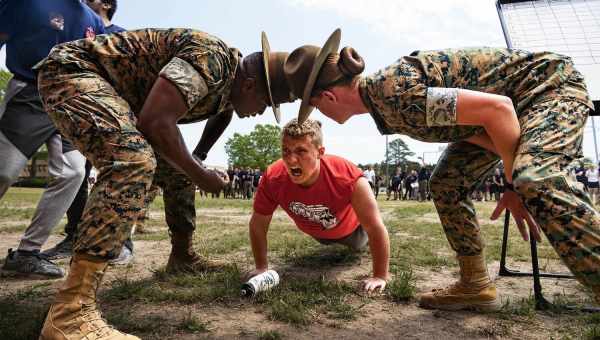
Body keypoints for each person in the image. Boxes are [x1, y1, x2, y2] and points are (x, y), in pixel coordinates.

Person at [283, 28, 600, 310]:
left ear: (328, 96)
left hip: (548, 88)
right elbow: (477, 126)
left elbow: (498, 109)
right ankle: (475, 282)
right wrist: (511, 169)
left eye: (316, 106)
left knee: (537, 180)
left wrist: (513, 182)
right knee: (446, 183)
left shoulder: (394, 93)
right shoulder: (385, 103)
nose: (318, 113)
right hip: (512, 111)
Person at [35, 29, 296, 339]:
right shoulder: (211, 59)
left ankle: (181, 257)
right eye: (266, 104)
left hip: (122, 98)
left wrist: (197, 159)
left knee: (180, 166)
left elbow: (222, 113)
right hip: (74, 71)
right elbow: (156, 122)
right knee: (133, 160)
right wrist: (201, 175)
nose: (261, 113)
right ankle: (70, 312)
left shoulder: (231, 85)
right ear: (250, 86)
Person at [0, 0, 105, 279]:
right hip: (28, 94)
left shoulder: (93, 21)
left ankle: (26, 254)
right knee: (4, 171)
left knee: (72, 172)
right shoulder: (28, 3)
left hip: (70, 103)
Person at [248, 118, 390, 292]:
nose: (291, 160)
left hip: (353, 232)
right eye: (286, 151)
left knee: (362, 240)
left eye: (301, 151)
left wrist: (380, 276)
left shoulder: (347, 176)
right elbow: (258, 225)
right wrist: (262, 268)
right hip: (318, 231)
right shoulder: (273, 178)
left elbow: (375, 227)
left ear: (319, 152)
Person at [42, 0, 135, 264]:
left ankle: (120, 242)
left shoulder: (119, 34)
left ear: (106, 4)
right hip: (77, 108)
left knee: (120, 171)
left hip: (112, 111)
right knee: (76, 173)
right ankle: (74, 236)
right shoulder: (73, 28)